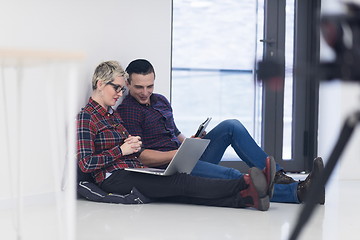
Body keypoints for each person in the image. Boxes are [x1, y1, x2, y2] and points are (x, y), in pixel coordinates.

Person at [117, 59, 325, 204]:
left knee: (231, 126)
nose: (145, 93)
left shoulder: (160, 100)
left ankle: (279, 176)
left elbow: (174, 132)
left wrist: (191, 142)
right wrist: (178, 154)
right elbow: (141, 156)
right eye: (139, 88)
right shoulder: (128, 110)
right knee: (232, 174)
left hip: (185, 155)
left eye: (150, 86)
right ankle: (298, 192)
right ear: (128, 83)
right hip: (170, 167)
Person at [76, 60, 276, 211]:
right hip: (113, 177)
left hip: (134, 169)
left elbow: (130, 147)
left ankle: (248, 198)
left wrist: (132, 143)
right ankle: (247, 184)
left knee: (180, 192)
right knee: (180, 182)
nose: (120, 93)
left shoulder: (112, 115)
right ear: (100, 84)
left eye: (121, 88)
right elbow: (85, 163)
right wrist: (121, 149)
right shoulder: (87, 116)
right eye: (116, 88)